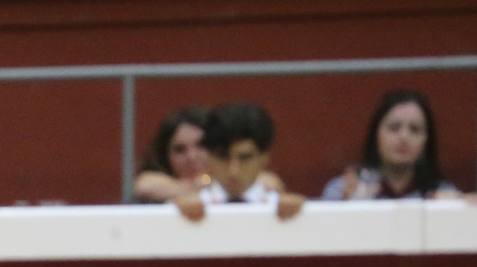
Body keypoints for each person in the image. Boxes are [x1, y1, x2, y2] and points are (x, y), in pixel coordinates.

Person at [173, 103, 303, 221]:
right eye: (223, 157)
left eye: (245, 158)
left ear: (264, 158)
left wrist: (301, 217)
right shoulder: (183, 209)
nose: (233, 171)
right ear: (209, 157)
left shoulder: (285, 208)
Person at [323, 89, 459, 201]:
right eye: (394, 128)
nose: (404, 137)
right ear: (376, 136)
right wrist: (349, 205)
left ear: (426, 142)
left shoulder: (444, 196)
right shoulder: (342, 190)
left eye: (415, 129)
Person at [132, 106, 210, 203]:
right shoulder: (154, 189)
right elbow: (143, 185)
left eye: (201, 145)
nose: (191, 157)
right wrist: (191, 189)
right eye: (180, 150)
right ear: (165, 156)